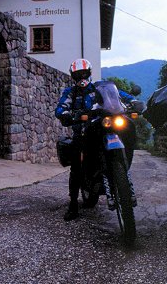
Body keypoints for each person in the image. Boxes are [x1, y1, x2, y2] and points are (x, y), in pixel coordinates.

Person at [55, 58, 136, 221]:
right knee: (76, 166)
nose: (81, 77)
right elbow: (61, 107)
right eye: (78, 75)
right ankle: (73, 205)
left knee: (126, 130)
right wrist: (66, 114)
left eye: (84, 74)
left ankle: (123, 178)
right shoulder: (71, 92)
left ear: (90, 73)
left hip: (102, 127)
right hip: (84, 131)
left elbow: (119, 95)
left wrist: (133, 101)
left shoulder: (100, 88)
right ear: (73, 77)